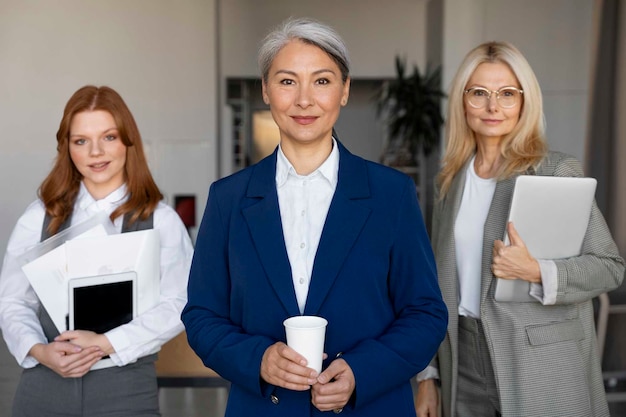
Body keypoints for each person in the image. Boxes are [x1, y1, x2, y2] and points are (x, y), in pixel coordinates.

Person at [182, 17, 447, 417]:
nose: (304, 100)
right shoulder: (229, 199)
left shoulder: (391, 194)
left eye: (321, 81)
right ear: (267, 91)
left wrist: (362, 371)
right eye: (287, 81)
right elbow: (202, 315)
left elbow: (425, 312)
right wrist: (257, 359)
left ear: (344, 91)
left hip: (371, 407)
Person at [415, 41, 625, 417]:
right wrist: (428, 374)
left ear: (525, 101)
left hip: (542, 364)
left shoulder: (556, 171)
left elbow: (609, 266)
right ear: (463, 101)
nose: (493, 106)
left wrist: (537, 271)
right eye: (479, 93)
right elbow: (435, 284)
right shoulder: (448, 182)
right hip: (461, 360)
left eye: (507, 93)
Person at [0, 85, 194, 417]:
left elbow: (179, 302)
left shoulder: (160, 220)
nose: (95, 152)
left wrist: (107, 344)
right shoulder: (39, 216)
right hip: (44, 387)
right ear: (67, 148)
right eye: (81, 141)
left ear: (127, 141)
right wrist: (39, 351)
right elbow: (13, 300)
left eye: (108, 137)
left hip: (126, 388)